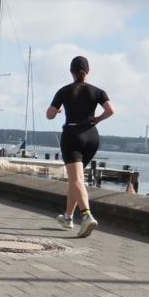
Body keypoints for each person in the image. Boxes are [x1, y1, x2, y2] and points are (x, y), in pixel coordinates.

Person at [46, 55, 115, 238]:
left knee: (76, 179)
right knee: (75, 180)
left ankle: (86, 216)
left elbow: (49, 115)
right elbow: (110, 110)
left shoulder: (64, 91)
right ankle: (68, 217)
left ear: (71, 72)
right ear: (88, 71)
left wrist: (58, 110)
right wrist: (97, 119)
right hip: (92, 137)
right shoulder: (98, 91)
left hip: (72, 136)